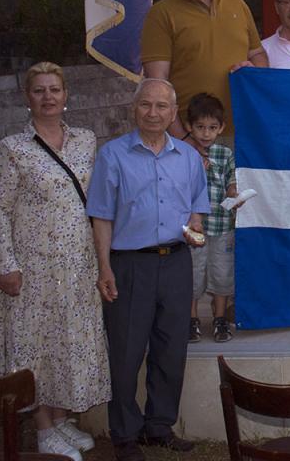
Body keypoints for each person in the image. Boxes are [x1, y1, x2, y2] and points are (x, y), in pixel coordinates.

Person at [0, 62, 110, 461]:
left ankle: (59, 420)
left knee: (67, 343)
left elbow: (99, 198)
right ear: (28, 97)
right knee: (34, 346)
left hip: (78, 264)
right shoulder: (12, 149)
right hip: (33, 267)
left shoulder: (85, 141)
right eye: (39, 90)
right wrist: (6, 263)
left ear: (66, 94)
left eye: (54, 89)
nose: (48, 97)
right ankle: (42, 429)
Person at [87, 78, 210, 461]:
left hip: (176, 262)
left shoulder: (188, 157)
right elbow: (101, 215)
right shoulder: (112, 155)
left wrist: (195, 227)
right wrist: (104, 267)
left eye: (161, 106)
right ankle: (124, 434)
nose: (153, 113)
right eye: (146, 105)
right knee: (126, 352)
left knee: (171, 349)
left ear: (174, 114)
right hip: (129, 265)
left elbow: (197, 204)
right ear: (134, 109)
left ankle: (159, 426)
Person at [141, 0, 268, 139]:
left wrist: (254, 70)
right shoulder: (161, 13)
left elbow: (258, 54)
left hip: (244, 134)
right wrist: (184, 140)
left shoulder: (238, 5)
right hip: (191, 136)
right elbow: (158, 83)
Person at [183, 93, 238, 344]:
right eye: (200, 127)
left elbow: (231, 182)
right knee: (192, 273)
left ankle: (220, 318)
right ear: (189, 126)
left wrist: (234, 192)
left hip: (222, 225)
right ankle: (191, 319)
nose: (206, 133)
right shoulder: (183, 153)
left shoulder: (225, 154)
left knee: (222, 272)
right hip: (193, 228)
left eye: (212, 128)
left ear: (221, 127)